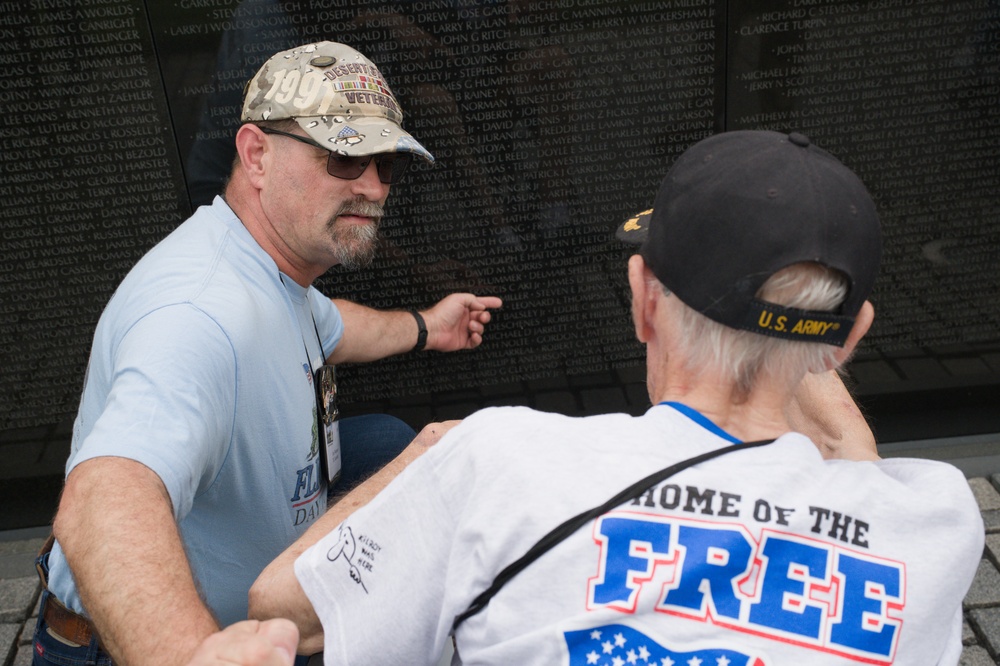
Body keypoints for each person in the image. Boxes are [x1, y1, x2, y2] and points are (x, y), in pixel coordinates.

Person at [248, 130, 983, 664]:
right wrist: (806, 355)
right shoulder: (936, 523)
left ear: (642, 303)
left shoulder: (497, 463)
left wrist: (432, 456)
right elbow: (855, 465)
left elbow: (278, 605)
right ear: (851, 340)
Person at [32, 41, 501, 666]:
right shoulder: (196, 315)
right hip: (124, 648)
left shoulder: (273, 267)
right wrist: (196, 654)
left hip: (248, 583)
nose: (372, 186)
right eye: (343, 156)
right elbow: (103, 497)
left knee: (386, 441)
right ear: (256, 154)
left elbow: (334, 327)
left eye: (386, 163)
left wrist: (427, 326)